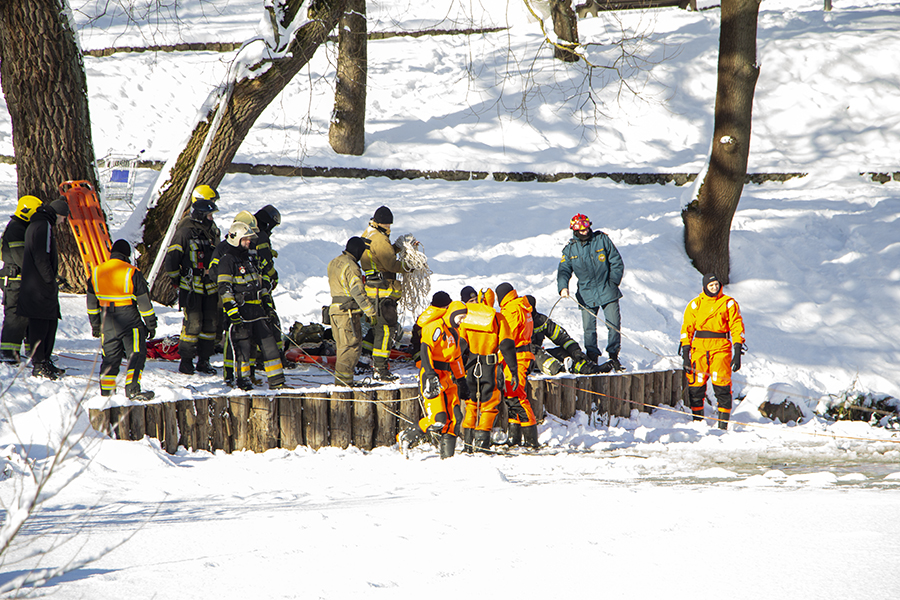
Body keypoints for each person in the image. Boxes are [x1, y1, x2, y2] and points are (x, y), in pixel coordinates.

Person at [397, 293, 469, 459]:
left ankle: (447, 458)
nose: (462, 321)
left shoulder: (455, 334)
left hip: (447, 377)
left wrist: (462, 380)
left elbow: (456, 358)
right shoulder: (435, 327)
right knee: (438, 419)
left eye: (464, 318)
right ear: (451, 314)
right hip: (432, 375)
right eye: (460, 317)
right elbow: (425, 349)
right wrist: (430, 375)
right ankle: (406, 436)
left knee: (455, 417)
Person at [217, 222, 286, 390]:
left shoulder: (250, 259)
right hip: (241, 311)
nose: (249, 242)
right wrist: (232, 311)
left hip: (258, 310)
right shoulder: (227, 261)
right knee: (243, 348)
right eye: (246, 239)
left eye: (249, 239)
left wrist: (268, 305)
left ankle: (277, 382)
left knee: (269, 346)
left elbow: (260, 284)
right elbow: (224, 288)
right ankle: (243, 381)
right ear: (236, 239)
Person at [86, 239, 157, 400]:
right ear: (127, 255)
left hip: (107, 321)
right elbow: (144, 303)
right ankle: (132, 388)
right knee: (136, 354)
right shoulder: (132, 272)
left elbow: (91, 303)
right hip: (129, 320)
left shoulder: (96, 272)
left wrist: (96, 325)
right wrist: (151, 325)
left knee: (110, 357)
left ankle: (106, 393)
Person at [557, 213, 626, 372]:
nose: (584, 232)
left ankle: (613, 356)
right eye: (580, 230)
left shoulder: (602, 240)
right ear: (574, 231)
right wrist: (563, 287)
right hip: (586, 294)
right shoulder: (570, 249)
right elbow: (564, 269)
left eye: (586, 228)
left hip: (607, 290)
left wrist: (613, 282)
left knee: (613, 324)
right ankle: (592, 356)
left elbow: (616, 262)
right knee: (589, 328)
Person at [680, 273, 746, 430]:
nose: (715, 287)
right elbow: (687, 328)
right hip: (699, 348)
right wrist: (685, 352)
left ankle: (723, 425)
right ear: (705, 287)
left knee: (721, 384)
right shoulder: (695, 304)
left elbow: (737, 326)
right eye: (711, 285)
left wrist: (737, 349)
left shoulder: (728, 303)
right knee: (696, 384)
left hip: (721, 347)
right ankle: (697, 422)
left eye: (716, 284)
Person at [458, 285, 518, 453]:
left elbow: (461, 344)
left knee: (471, 405)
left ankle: (468, 445)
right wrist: (513, 371)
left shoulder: (467, 317)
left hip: (470, 365)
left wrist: (457, 368)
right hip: (489, 367)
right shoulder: (497, 318)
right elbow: (506, 345)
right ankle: (482, 443)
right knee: (489, 404)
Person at [165, 194, 220, 375]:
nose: (212, 219)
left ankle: (204, 361)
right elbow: (172, 258)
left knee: (210, 325)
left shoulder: (213, 232)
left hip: (210, 287)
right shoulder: (185, 232)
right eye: (210, 215)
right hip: (191, 287)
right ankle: (186, 361)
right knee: (193, 325)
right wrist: (176, 278)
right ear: (201, 215)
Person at [360, 205, 415, 381]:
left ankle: (365, 358)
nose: (389, 228)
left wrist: (396, 247)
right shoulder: (380, 240)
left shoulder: (367, 234)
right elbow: (390, 264)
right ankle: (381, 369)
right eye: (388, 225)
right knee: (385, 331)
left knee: (375, 328)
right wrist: (410, 266)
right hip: (383, 292)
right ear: (382, 223)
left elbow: (380, 257)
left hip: (372, 290)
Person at [18, 198, 69, 379]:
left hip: (35, 285)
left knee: (47, 323)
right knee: (43, 324)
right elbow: (42, 256)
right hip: (39, 287)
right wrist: (50, 280)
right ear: (58, 214)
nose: (62, 222)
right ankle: (40, 363)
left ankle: (44, 360)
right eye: (63, 218)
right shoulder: (44, 226)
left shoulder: (37, 224)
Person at [327, 236, 377, 387]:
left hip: (334, 311)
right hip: (346, 313)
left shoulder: (334, 262)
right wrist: (371, 312)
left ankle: (342, 383)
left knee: (342, 348)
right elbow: (358, 292)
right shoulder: (352, 266)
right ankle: (344, 385)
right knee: (350, 348)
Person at [496, 282, 539, 449]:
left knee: (518, 397)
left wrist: (499, 355)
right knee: (512, 396)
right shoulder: (522, 305)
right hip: (523, 355)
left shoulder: (511, 310)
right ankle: (514, 437)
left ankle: (530, 439)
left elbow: (508, 337)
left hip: (516, 357)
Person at [1, 195, 41, 363]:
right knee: (15, 316)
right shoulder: (17, 229)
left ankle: (31, 351)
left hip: (22, 280)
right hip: (14, 280)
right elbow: (20, 257)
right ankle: (8, 353)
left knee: (28, 316)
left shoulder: (22, 227)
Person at [524, 295, 603, 376]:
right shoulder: (517, 320)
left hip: (538, 354)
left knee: (563, 353)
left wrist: (575, 351)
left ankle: (589, 368)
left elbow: (561, 337)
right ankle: (562, 371)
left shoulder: (540, 320)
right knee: (539, 354)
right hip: (524, 358)